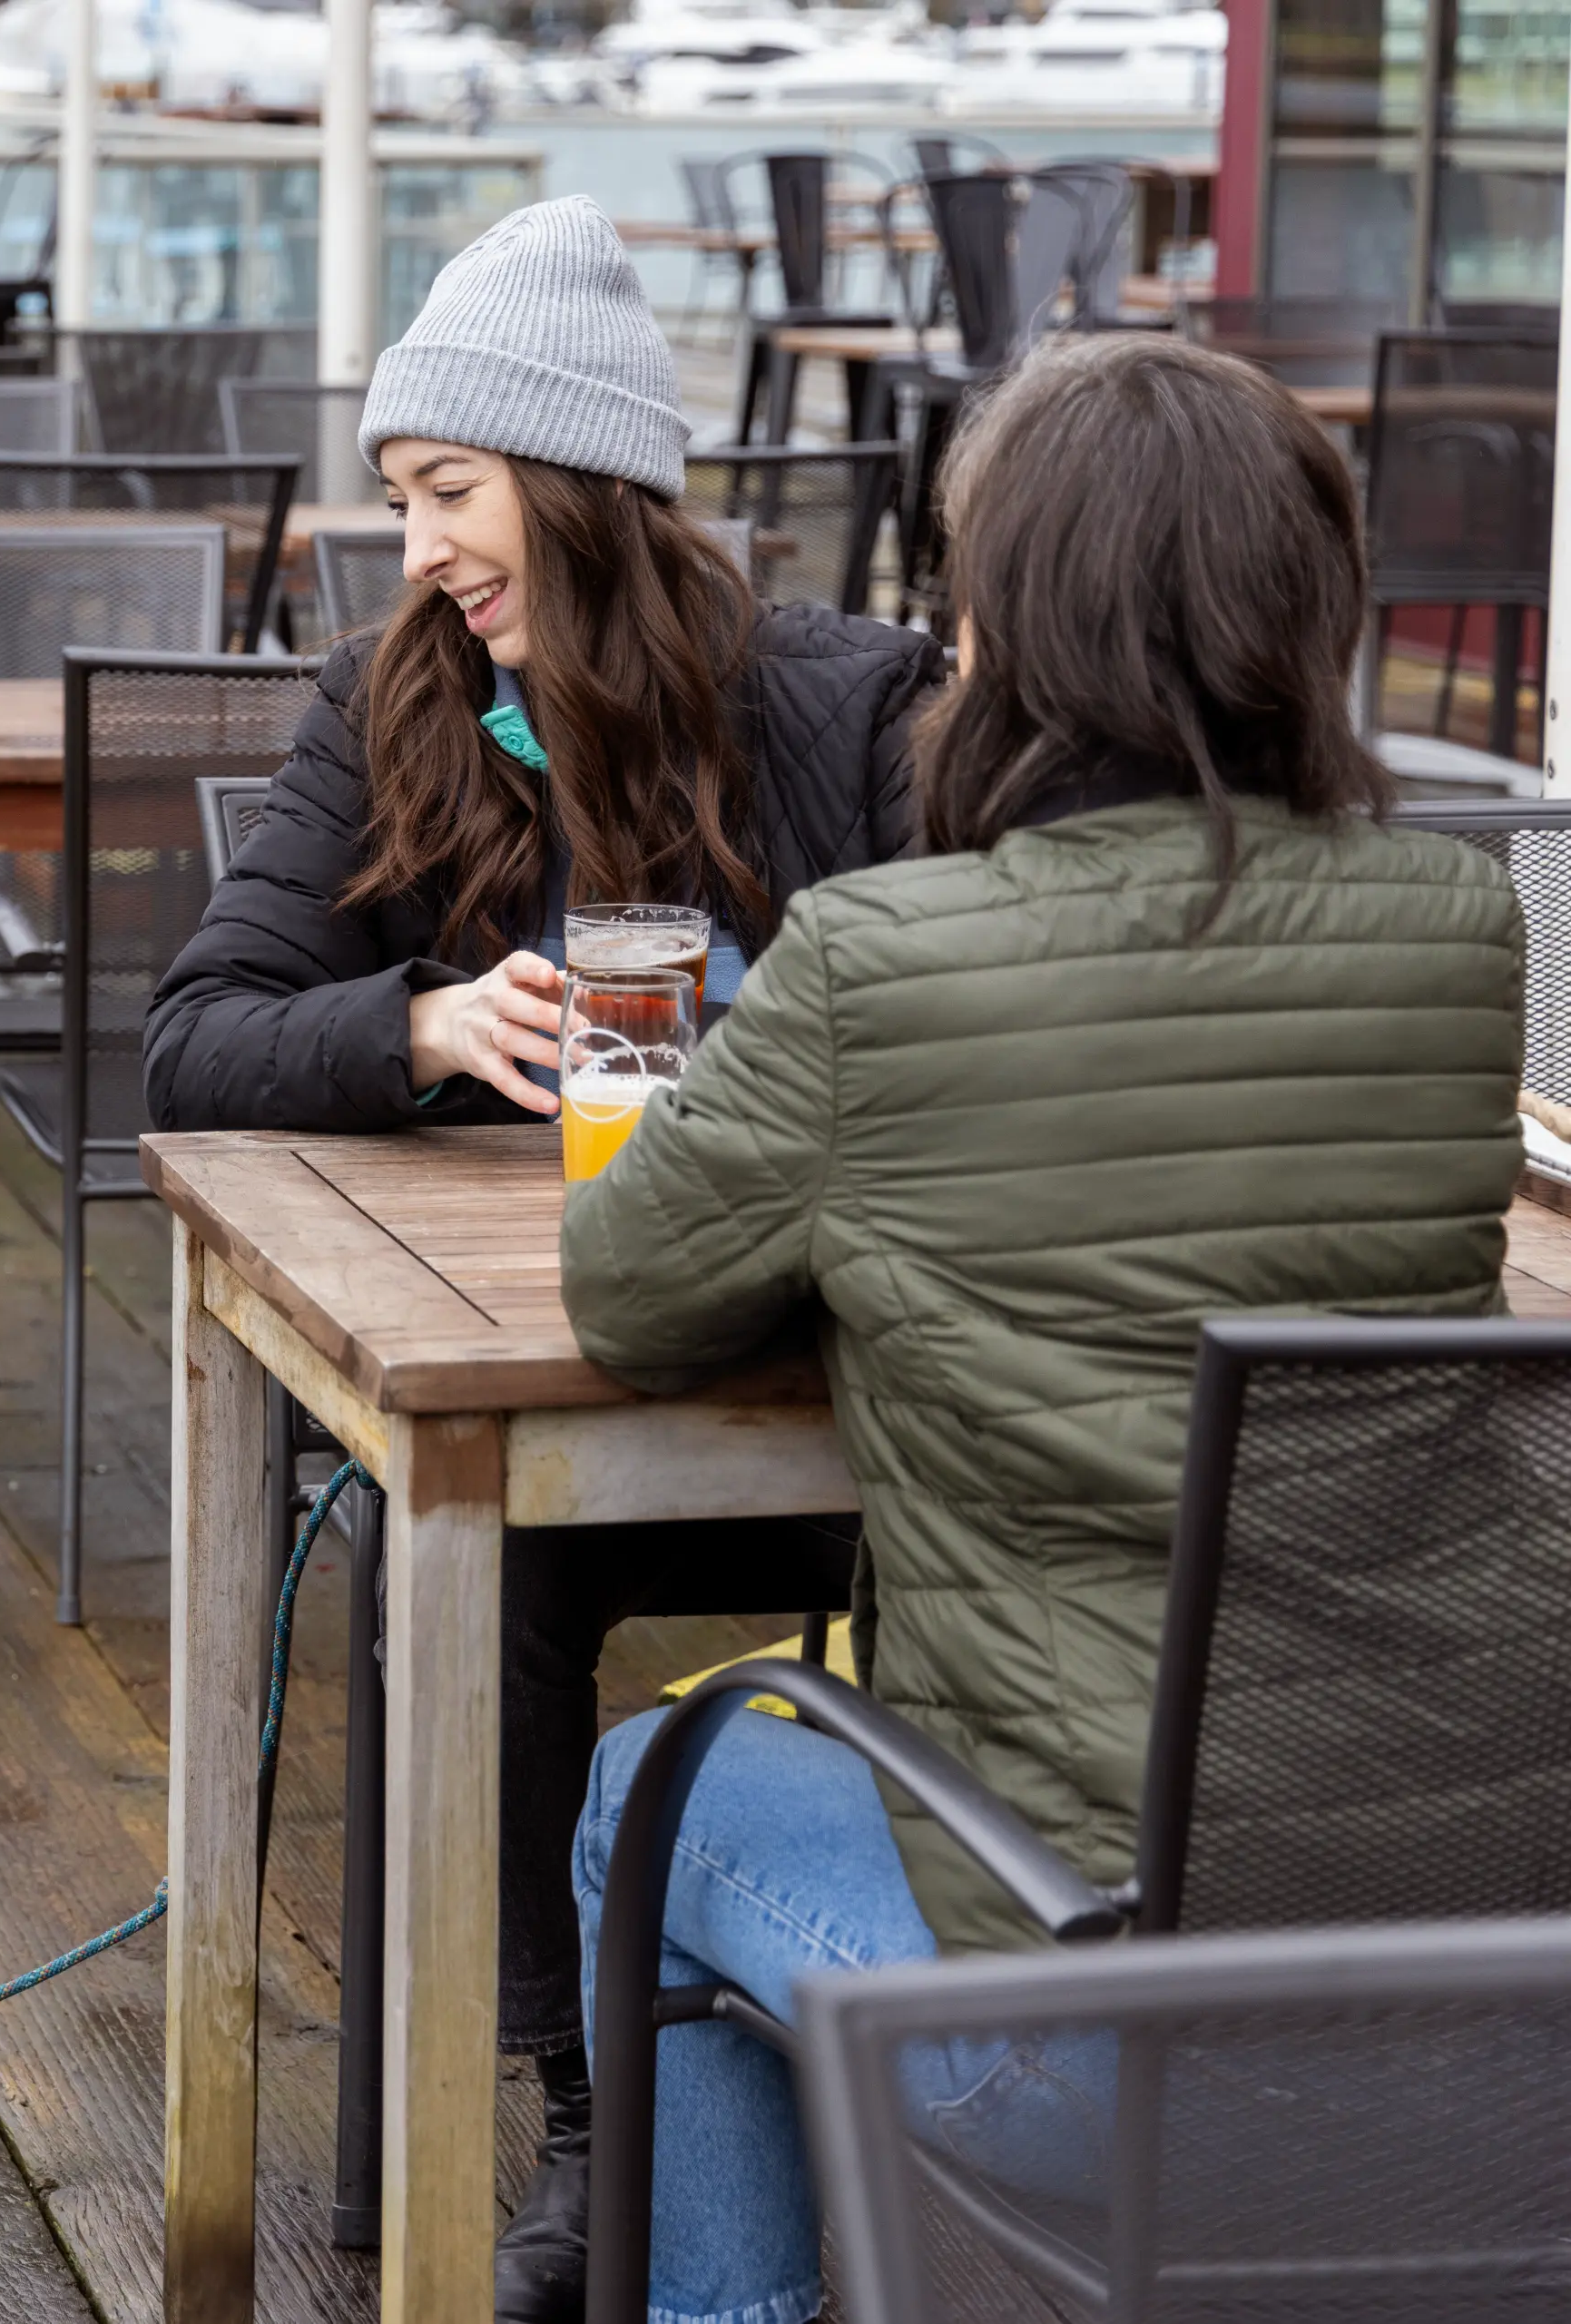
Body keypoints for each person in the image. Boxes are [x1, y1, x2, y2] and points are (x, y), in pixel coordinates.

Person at [560, 329, 1524, 2324]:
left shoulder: (883, 961)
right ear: (1305, 614)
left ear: (1001, 629)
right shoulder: (1462, 931)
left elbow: (629, 1290)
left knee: (650, 1789)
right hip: (1484, 1993)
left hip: (1099, 2022)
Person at [142, 195, 939, 2318]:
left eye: (451, 494)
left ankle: (875, 2069)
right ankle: (592, 2118)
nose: (419, 550)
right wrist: (417, 1025)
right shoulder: (391, 704)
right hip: (563, 1351)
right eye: (407, 500)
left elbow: (980, 1003)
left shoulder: (851, 708)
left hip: (852, 1365)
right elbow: (193, 1033)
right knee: (464, 1572)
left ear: (579, 488)